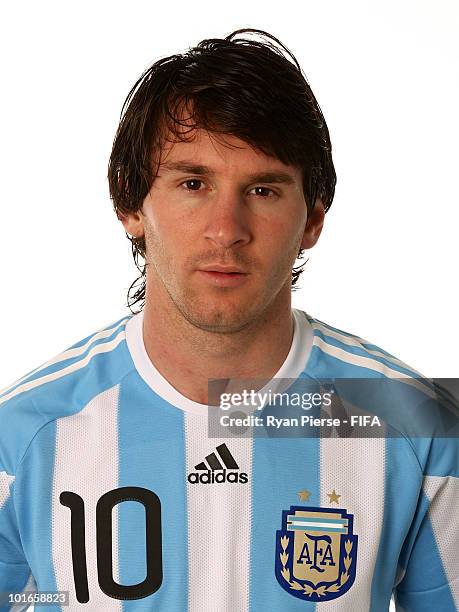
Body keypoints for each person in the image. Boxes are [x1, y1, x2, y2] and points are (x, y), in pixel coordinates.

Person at [0, 27, 457, 612]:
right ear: (130, 203)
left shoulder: (418, 424)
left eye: (263, 190)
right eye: (193, 183)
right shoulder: (23, 438)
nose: (226, 229)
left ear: (313, 218)